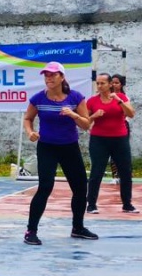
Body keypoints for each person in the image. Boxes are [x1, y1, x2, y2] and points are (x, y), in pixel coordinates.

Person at [22, 61, 97, 246]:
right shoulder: (38, 98)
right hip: (47, 147)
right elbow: (28, 118)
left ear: (62, 77)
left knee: (80, 188)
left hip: (69, 147)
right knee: (45, 187)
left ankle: (77, 228)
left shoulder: (76, 97)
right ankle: (31, 231)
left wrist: (73, 115)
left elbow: (86, 125)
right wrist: (30, 132)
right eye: (46, 75)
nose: (49, 78)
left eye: (53, 75)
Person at [86, 73, 136, 214]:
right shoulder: (92, 101)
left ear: (110, 84)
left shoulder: (122, 98)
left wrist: (119, 100)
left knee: (125, 171)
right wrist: (94, 116)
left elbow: (131, 114)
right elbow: (84, 122)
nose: (100, 86)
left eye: (103, 83)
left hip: (120, 139)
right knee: (97, 171)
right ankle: (91, 204)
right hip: (99, 140)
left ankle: (127, 204)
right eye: (98, 83)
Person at [109, 74, 130, 183]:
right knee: (111, 153)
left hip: (122, 126)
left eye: (116, 82)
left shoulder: (124, 97)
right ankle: (115, 176)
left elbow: (127, 113)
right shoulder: (106, 96)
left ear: (121, 84)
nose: (113, 84)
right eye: (112, 82)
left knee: (121, 152)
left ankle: (124, 176)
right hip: (109, 127)